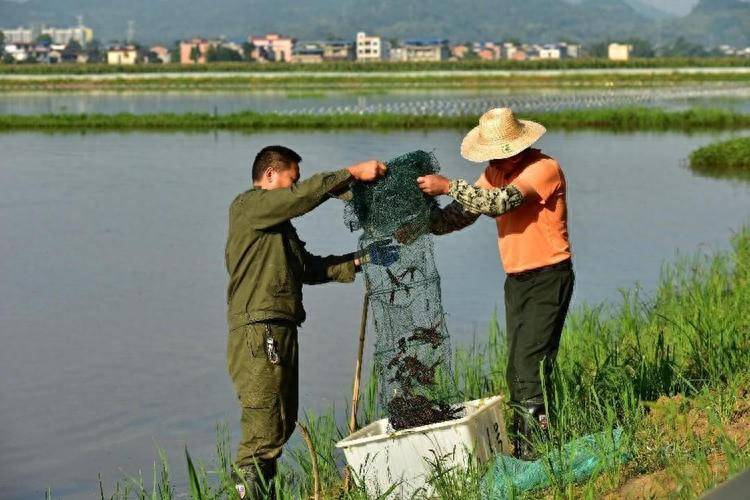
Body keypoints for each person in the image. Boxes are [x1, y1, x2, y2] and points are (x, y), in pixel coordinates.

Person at [225, 145, 397, 498]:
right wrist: (351, 172)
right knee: (262, 433)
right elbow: (301, 198)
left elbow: (310, 268)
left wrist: (361, 260)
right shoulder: (249, 206)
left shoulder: (277, 228)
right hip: (260, 333)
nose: (295, 186)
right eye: (292, 178)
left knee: (281, 425)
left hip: (278, 329)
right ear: (270, 175)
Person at [414, 108, 573, 460]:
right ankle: (529, 444)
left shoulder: (542, 169)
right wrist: (423, 216)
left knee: (532, 362)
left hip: (549, 276)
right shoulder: (495, 173)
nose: (497, 157)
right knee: (516, 367)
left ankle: (540, 448)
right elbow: (458, 216)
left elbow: (500, 203)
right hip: (517, 280)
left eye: (501, 150)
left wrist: (449, 185)